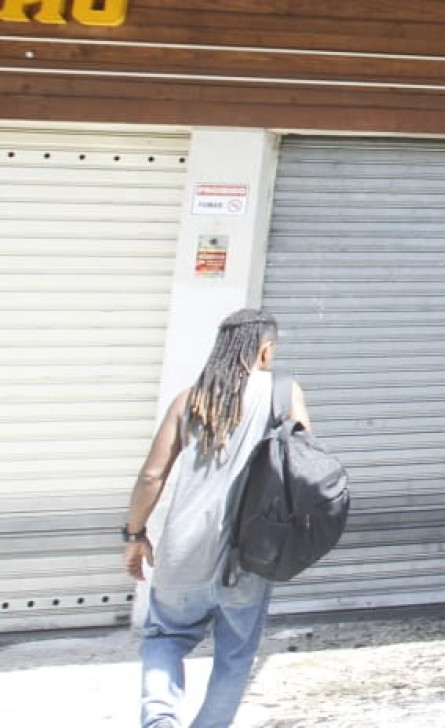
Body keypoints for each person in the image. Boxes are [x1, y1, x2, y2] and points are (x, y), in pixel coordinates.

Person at [124, 308, 309, 728]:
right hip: (247, 555)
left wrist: (134, 535)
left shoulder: (190, 399)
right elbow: (304, 463)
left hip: (181, 552)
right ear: (265, 349)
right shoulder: (283, 392)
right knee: (236, 654)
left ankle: (159, 721)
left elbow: (152, 476)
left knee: (164, 639)